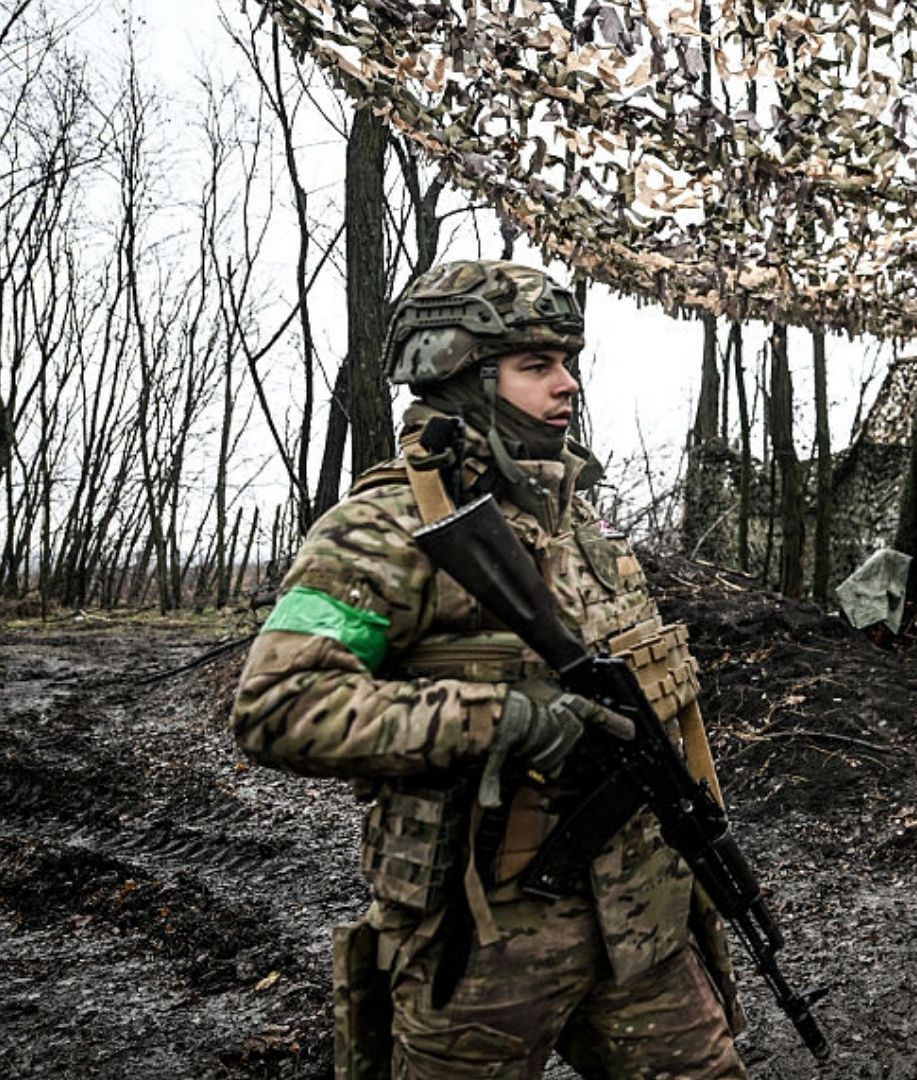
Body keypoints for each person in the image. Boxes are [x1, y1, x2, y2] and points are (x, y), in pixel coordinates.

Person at [231, 260, 745, 1078]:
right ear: (459, 375)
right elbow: (278, 704)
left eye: (569, 363)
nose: (567, 385)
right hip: (480, 952)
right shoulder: (380, 528)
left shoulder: (587, 526)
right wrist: (495, 720)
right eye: (536, 366)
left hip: (641, 931)